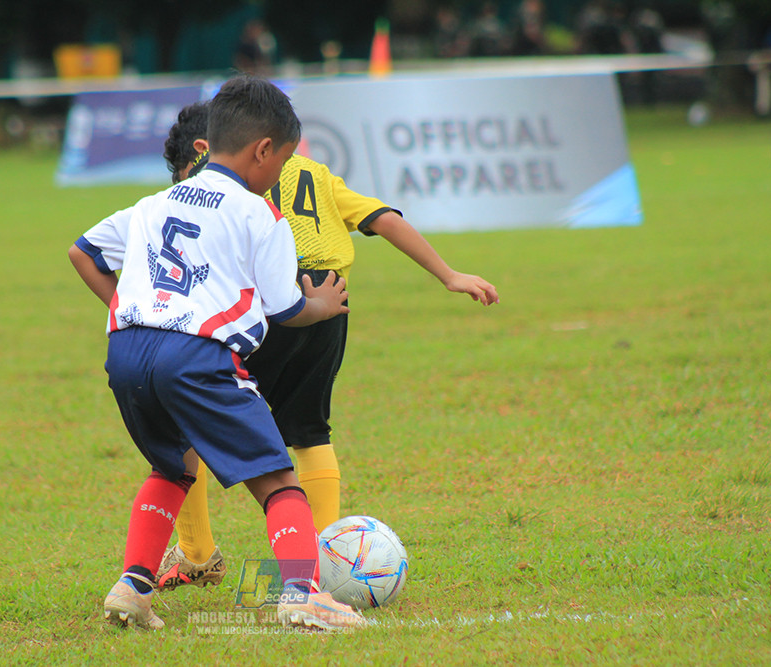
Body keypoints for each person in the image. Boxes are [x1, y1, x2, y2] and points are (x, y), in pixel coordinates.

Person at [156, 101, 500, 592]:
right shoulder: (314, 172)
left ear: (207, 149)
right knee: (310, 431)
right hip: (331, 302)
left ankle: (197, 556)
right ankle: (321, 564)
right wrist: (449, 274)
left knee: (186, 425)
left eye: (186, 175)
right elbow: (383, 218)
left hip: (274, 304)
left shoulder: (230, 183)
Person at [68, 75, 366, 632]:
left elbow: (82, 249)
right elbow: (284, 311)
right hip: (197, 356)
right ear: (262, 151)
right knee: (278, 479)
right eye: (282, 162)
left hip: (127, 353)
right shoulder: (260, 215)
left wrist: (128, 309)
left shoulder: (154, 202)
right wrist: (320, 306)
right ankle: (303, 592)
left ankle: (133, 586)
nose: (279, 176)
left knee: (171, 466)